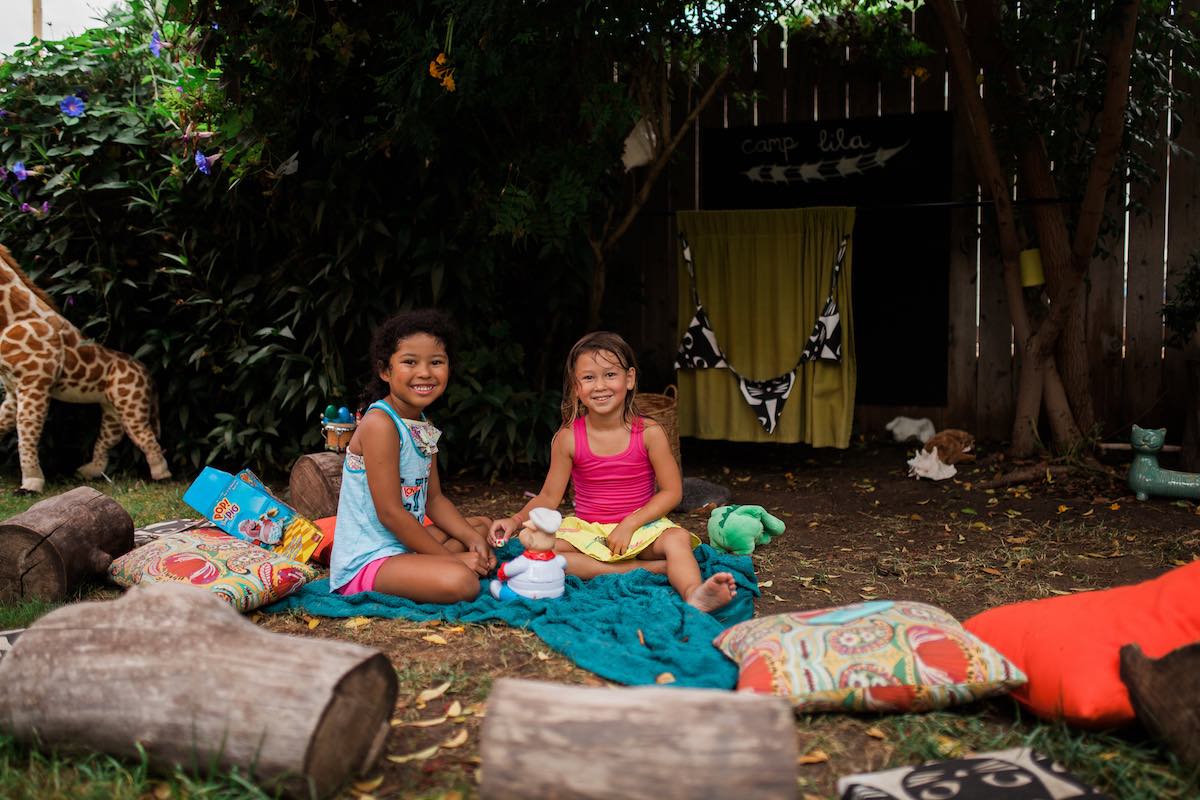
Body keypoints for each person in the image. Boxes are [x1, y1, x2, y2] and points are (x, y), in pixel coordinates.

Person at [489, 331, 737, 612]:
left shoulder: (650, 433)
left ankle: (694, 593)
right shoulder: (568, 438)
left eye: (610, 375)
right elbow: (548, 497)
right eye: (589, 378)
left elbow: (672, 491)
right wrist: (515, 519)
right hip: (590, 534)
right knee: (547, 553)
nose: (600, 386)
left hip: (643, 528)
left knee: (677, 539)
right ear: (576, 387)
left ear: (629, 379)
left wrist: (630, 524)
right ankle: (652, 569)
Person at [329, 310, 494, 602]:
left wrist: (472, 540)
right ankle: (441, 566)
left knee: (480, 528)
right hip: (369, 559)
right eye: (409, 362)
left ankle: (438, 562)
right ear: (385, 371)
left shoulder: (422, 424)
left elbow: (434, 500)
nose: (425, 372)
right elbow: (390, 513)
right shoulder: (380, 424)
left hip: (402, 547)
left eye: (436, 362)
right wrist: (453, 561)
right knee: (462, 582)